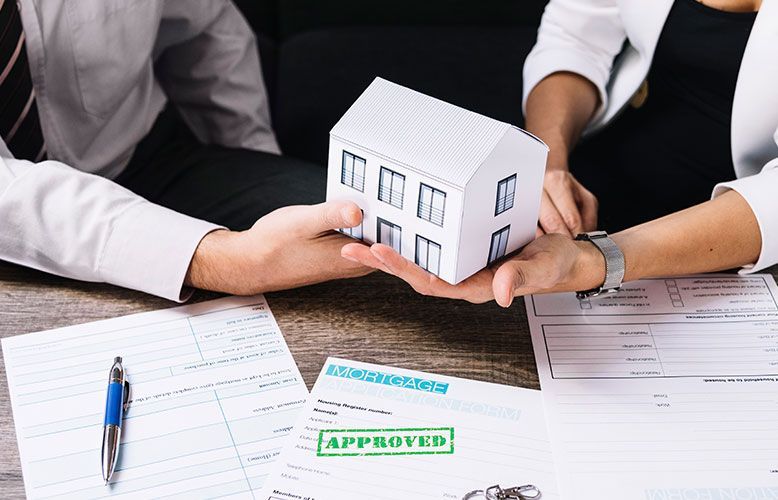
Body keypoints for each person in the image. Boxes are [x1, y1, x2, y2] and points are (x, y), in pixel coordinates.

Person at [341, 0, 777, 306]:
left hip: (735, 242)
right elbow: (575, 37)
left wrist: (596, 262)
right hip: (595, 181)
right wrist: (546, 163)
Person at [0, 0, 369, 302]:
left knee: (362, 233)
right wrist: (228, 260)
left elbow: (205, 29)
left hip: (146, 158)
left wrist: (256, 170)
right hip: (8, 236)